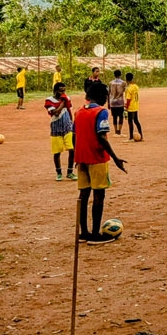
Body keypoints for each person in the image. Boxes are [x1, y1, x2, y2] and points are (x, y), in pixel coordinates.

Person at [74, 84, 128, 244]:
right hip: (97, 158)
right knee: (99, 194)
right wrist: (116, 158)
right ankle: (96, 234)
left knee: (83, 195)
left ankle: (83, 233)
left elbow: (74, 136)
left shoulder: (78, 112)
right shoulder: (101, 112)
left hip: (81, 158)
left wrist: (76, 158)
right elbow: (101, 137)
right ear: (103, 97)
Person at [45, 82, 77, 181]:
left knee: (71, 150)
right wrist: (63, 101)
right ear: (55, 91)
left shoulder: (67, 99)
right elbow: (56, 113)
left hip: (67, 126)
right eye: (60, 91)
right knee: (57, 152)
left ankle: (70, 172)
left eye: (64, 90)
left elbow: (69, 110)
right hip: (56, 128)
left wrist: (72, 124)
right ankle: (59, 172)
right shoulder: (49, 100)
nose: (63, 92)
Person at [124, 73, 143, 142]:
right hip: (136, 105)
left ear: (126, 79)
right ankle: (141, 136)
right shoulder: (135, 86)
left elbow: (128, 99)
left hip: (131, 107)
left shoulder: (129, 88)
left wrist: (126, 106)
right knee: (136, 121)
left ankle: (131, 137)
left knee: (130, 122)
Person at [108, 70, 127, 136]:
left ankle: (116, 131)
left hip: (112, 102)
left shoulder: (111, 83)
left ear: (114, 75)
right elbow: (125, 92)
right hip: (120, 102)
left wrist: (108, 103)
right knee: (121, 117)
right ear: (120, 74)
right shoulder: (123, 83)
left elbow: (109, 93)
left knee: (114, 117)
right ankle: (119, 131)